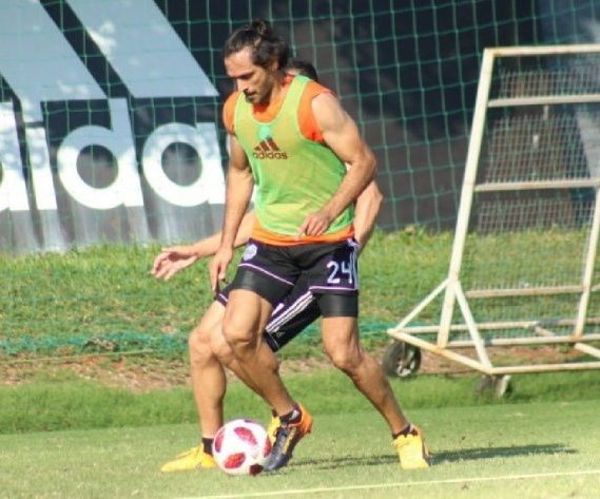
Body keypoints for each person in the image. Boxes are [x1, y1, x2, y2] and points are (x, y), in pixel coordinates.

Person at [210, 19, 430, 471]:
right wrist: (225, 244)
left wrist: (330, 211)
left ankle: (404, 432)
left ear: (273, 64)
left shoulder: (314, 103)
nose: (240, 87)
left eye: (247, 76)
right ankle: (290, 417)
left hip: (328, 244)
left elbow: (364, 162)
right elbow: (240, 172)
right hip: (272, 242)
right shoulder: (235, 111)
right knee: (234, 337)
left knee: (343, 354)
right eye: (232, 78)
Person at [154, 60, 384, 473]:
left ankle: (289, 417)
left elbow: (371, 195)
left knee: (232, 343)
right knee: (202, 342)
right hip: (274, 255)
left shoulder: (327, 135)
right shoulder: (269, 135)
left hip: (317, 266)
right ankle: (210, 450)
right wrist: (200, 249)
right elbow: (262, 216)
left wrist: (347, 253)